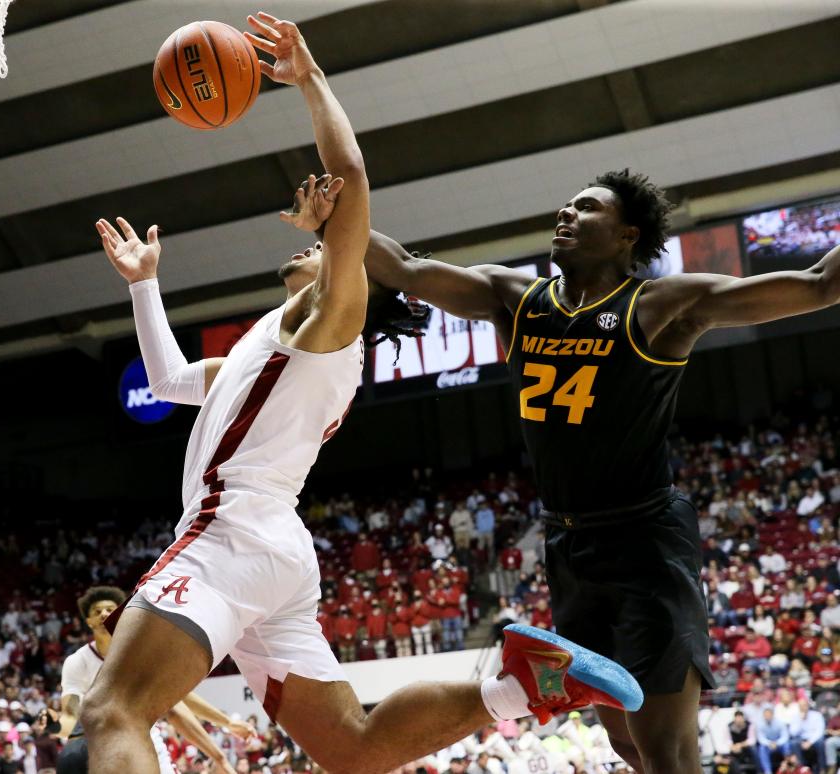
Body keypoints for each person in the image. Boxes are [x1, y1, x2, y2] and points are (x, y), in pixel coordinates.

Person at [83, 13, 642, 774]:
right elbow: (170, 382)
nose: (314, 245)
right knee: (352, 746)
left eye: (329, 250)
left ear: (353, 286)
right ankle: (516, 687)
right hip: (274, 550)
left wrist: (308, 78)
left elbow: (350, 175)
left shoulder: (331, 324)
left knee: (111, 709)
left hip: (233, 530)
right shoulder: (279, 346)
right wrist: (145, 286)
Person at [364, 159, 840, 772]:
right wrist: (334, 218)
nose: (567, 212)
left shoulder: (661, 305)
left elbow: (820, 285)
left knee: (666, 749)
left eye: (587, 207)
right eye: (567, 204)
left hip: (646, 544)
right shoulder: (515, 297)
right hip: (569, 546)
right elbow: (400, 268)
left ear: (627, 236)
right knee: (623, 743)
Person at [40, 586, 249, 774]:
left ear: (121, 614)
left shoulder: (141, 655)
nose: (104, 614)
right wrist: (56, 725)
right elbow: (71, 720)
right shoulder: (77, 662)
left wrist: (227, 723)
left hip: (145, 742)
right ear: (89, 621)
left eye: (110, 609)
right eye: (97, 611)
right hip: (101, 749)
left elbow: (179, 699)